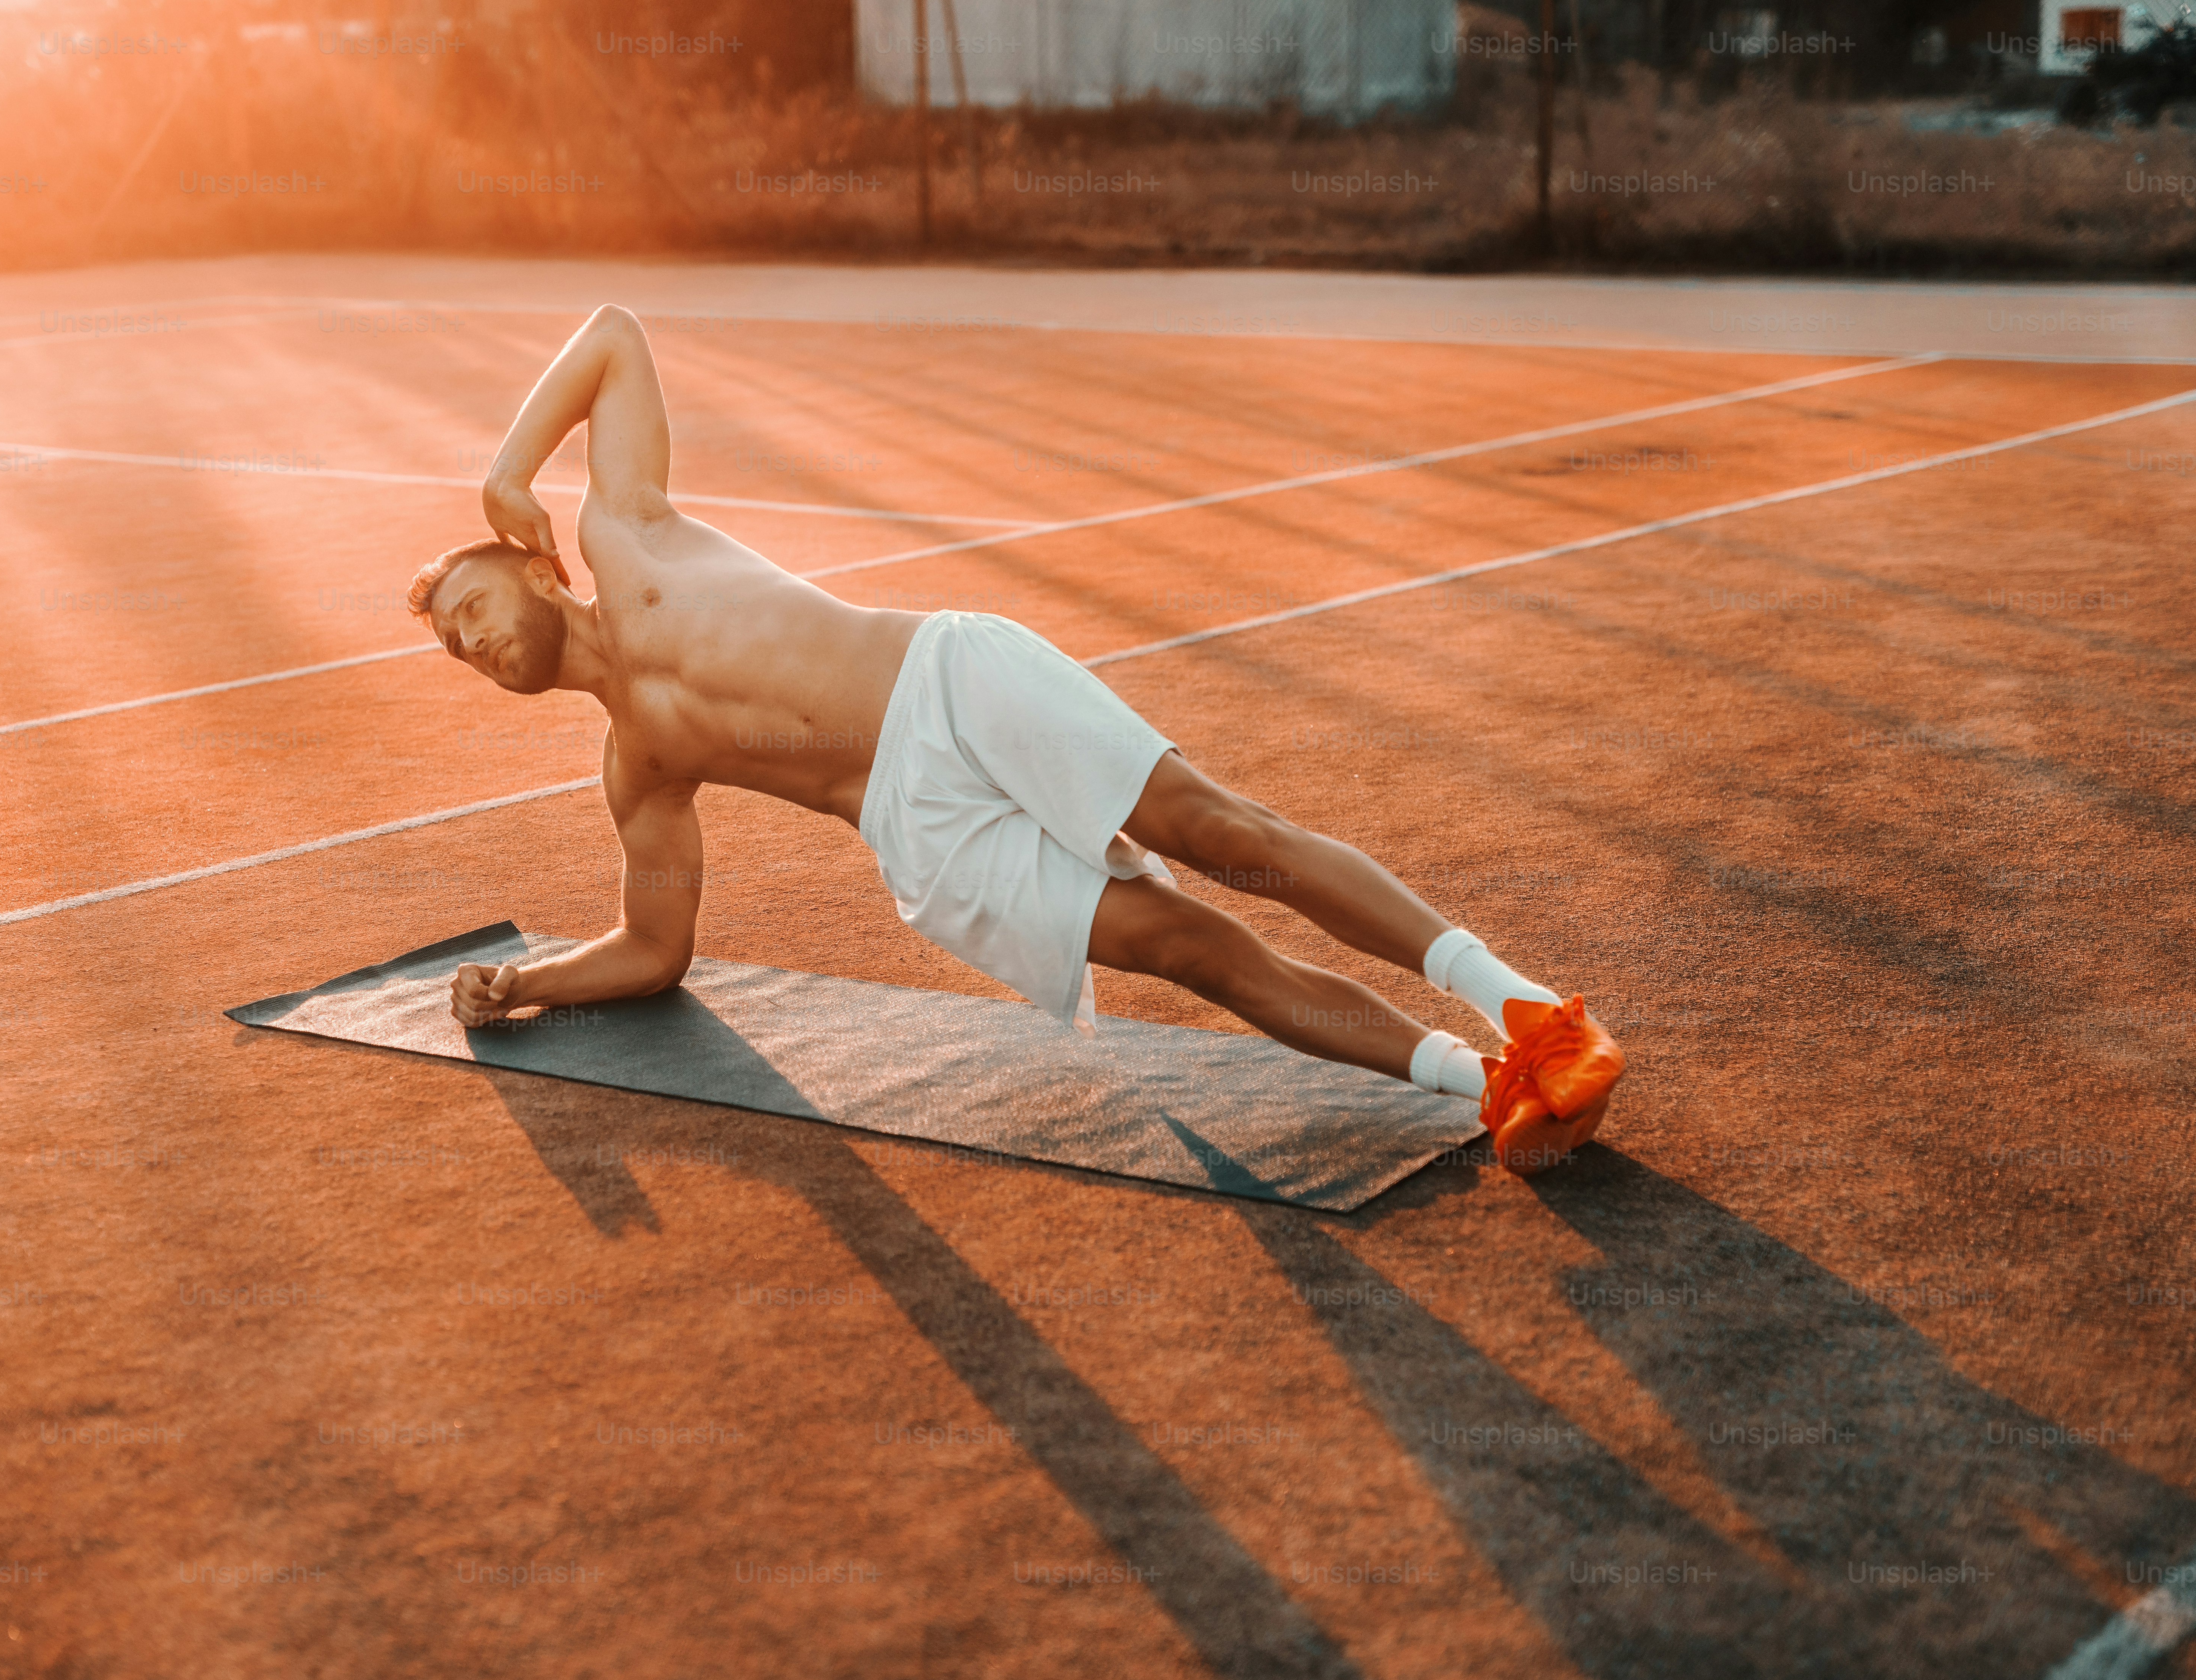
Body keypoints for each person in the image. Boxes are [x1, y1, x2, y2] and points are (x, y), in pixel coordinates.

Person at [406, 306, 1622, 1169]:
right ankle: (1486, 1090)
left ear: (535, 570)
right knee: (1194, 950)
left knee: (1218, 831)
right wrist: (529, 986)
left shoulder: (624, 530)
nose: (474, 647)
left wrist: (510, 464)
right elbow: (654, 946)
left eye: (472, 610)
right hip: (919, 834)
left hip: (948, 681)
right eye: (458, 652)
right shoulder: (640, 768)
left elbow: (615, 333)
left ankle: (1528, 1013)